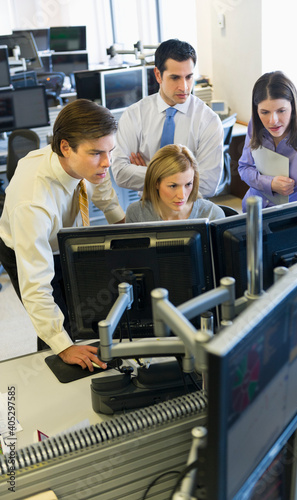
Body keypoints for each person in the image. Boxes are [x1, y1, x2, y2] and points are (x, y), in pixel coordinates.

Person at [0, 99, 125, 371]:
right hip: (29, 247)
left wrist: (120, 221)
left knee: (85, 303)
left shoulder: (89, 164)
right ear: (66, 148)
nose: (107, 162)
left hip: (69, 238)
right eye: (97, 154)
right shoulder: (32, 203)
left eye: (110, 151)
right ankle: (52, 358)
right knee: (58, 322)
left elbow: (100, 185)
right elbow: (36, 285)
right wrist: (63, 345)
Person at [111, 38, 224, 198]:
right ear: (158, 75)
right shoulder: (135, 115)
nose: (184, 87)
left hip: (191, 212)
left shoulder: (208, 120)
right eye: (175, 78)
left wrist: (150, 172)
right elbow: (121, 173)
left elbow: (207, 185)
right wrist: (186, 178)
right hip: (147, 209)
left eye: (189, 77)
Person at [238, 70, 297, 212]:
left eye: (281, 110)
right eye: (264, 112)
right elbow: (244, 168)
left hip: (295, 217)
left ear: (293, 106)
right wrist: (269, 184)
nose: (272, 121)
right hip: (253, 210)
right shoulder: (256, 124)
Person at [125, 144, 225, 222]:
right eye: (173, 186)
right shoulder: (136, 214)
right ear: (156, 183)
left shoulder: (212, 215)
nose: (182, 196)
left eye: (188, 184)